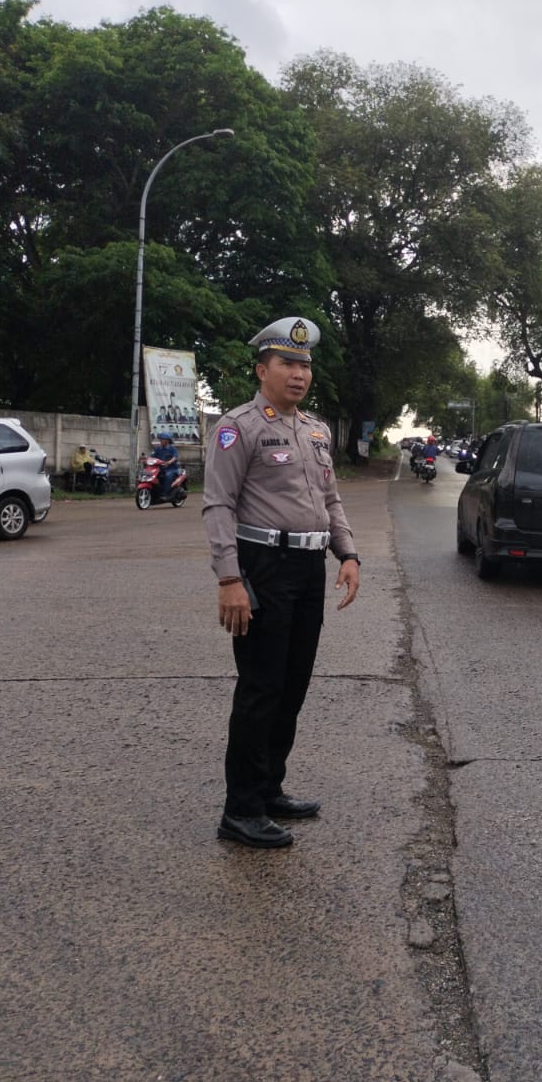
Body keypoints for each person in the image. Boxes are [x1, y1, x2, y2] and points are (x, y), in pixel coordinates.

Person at [203, 316, 361, 849]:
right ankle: (241, 809)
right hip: (262, 566)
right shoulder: (238, 427)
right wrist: (230, 578)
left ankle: (269, 789)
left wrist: (347, 553)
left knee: (292, 685)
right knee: (261, 688)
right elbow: (218, 505)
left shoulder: (316, 430)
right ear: (262, 370)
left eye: (304, 366)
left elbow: (330, 499)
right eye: (287, 364)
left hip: (308, 568)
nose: (298, 374)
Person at [151, 432, 179, 498]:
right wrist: (145, 459)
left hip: (171, 468)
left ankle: (165, 493)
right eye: (160, 439)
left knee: (167, 476)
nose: (161, 441)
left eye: (162, 439)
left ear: (167, 441)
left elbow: (175, 457)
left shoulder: (172, 448)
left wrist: (169, 462)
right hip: (160, 468)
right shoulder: (157, 449)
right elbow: (152, 457)